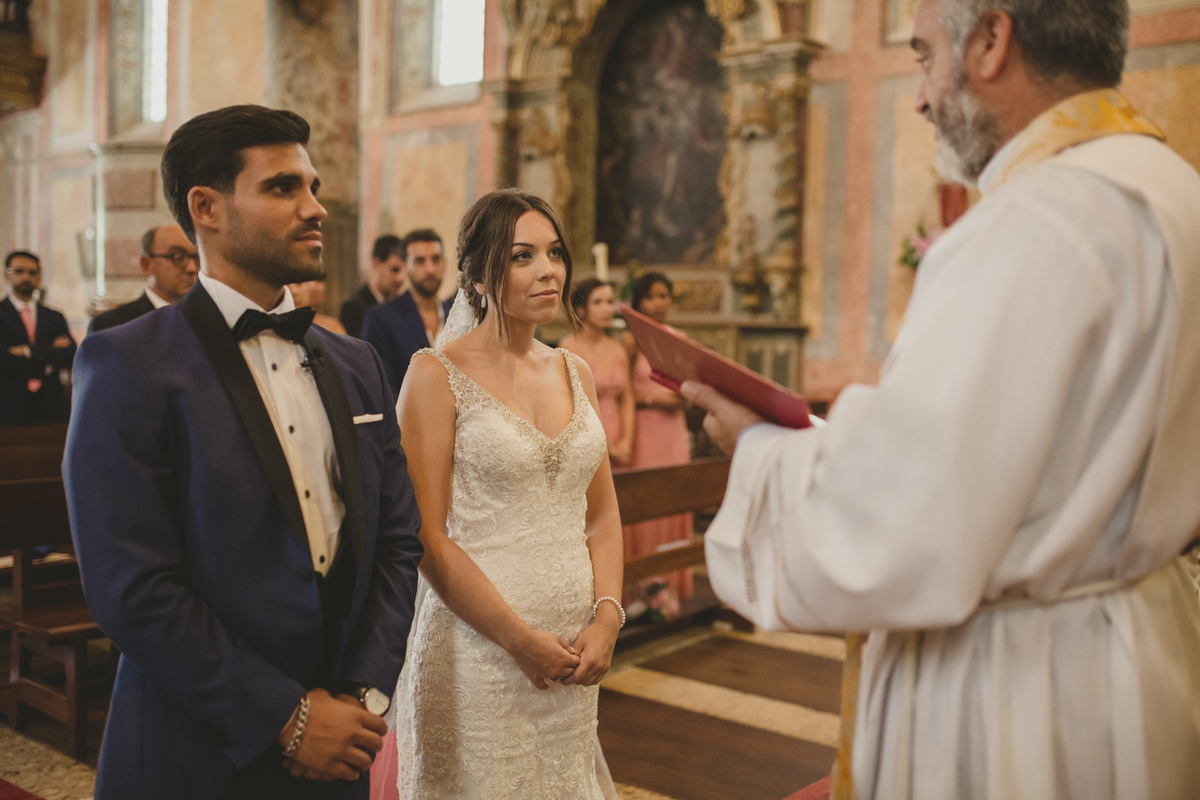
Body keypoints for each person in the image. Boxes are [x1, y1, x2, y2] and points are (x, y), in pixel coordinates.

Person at [684, 1, 1200, 798]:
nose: (921, 97)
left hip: (1018, 698)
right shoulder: (1173, 188)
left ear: (991, 40)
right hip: (1140, 651)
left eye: (924, 56)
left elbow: (896, 526)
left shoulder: (1033, 222)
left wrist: (759, 448)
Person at [63, 104, 424, 799]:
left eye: (312, 186)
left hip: (342, 742)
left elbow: (397, 539)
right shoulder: (129, 363)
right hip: (194, 749)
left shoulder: (358, 363)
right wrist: (286, 718)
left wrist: (364, 692)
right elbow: (129, 584)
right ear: (206, 208)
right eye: (283, 187)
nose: (315, 207)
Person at [374, 188, 624, 799]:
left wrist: (608, 617)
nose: (548, 271)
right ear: (480, 277)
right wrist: (516, 638)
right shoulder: (435, 373)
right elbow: (426, 535)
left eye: (555, 253)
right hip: (478, 649)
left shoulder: (575, 370)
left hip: (573, 649)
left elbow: (601, 516)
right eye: (522, 256)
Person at [621, 272, 692, 604]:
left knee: (675, 499)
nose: (659, 303)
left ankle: (671, 585)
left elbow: (689, 383)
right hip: (644, 429)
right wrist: (653, 400)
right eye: (651, 297)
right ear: (639, 302)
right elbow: (620, 395)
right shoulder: (630, 342)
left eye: (664, 296)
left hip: (674, 429)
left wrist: (687, 396)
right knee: (646, 500)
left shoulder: (679, 338)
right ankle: (642, 588)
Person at [361, 229, 453, 398]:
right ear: (405, 266)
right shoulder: (382, 317)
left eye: (435, 259)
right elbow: (381, 387)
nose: (430, 269)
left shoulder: (456, 317)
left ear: (444, 263)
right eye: (420, 261)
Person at [560, 278, 635, 466]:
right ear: (581, 309)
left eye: (609, 302)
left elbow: (627, 399)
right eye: (598, 302)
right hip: (585, 437)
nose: (606, 309)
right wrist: (603, 444)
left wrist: (626, 442)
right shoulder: (569, 347)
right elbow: (568, 403)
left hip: (618, 435)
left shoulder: (618, 349)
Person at [1, 251, 77, 425]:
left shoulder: (54, 317)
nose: (26, 277)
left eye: (32, 272)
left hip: (50, 404)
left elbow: (70, 354)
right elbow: (3, 360)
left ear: (39, 276)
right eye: (19, 271)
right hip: (8, 405)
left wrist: (27, 351)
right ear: (7, 275)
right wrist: (47, 365)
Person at [88, 225, 199, 333]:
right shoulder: (113, 324)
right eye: (179, 257)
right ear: (146, 264)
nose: (192, 268)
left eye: (196, 258)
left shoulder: (204, 319)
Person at [339, 235, 407, 339]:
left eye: (405, 270)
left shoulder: (400, 305)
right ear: (376, 264)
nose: (400, 278)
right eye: (395, 269)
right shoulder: (354, 308)